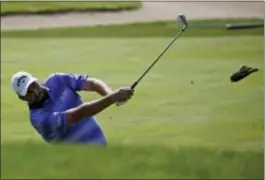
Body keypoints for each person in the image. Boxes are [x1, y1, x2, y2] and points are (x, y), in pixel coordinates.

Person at [11, 71, 134, 145]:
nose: (35, 92)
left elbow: (91, 83)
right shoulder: (39, 119)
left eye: (33, 85)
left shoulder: (56, 80)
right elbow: (77, 114)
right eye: (28, 92)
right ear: (22, 98)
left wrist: (109, 94)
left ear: (36, 80)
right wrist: (112, 98)